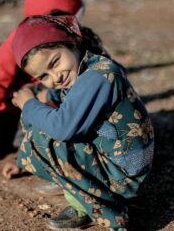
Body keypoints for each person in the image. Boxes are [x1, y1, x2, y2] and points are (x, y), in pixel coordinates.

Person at [10, 15, 155, 230]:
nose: (55, 77)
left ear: (73, 43)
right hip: (124, 164)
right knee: (45, 115)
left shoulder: (98, 76)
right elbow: (62, 101)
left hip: (125, 175)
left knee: (45, 134)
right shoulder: (89, 68)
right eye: (43, 76)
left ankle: (93, 204)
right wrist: (43, 100)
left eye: (55, 62)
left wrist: (29, 104)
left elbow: (62, 128)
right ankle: (74, 182)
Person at [0, 0, 84, 168]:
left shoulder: (74, 41)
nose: (74, 27)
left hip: (50, 105)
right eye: (68, 22)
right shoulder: (14, 49)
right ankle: (34, 155)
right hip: (19, 108)